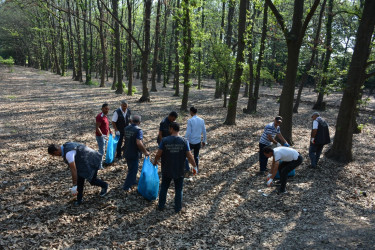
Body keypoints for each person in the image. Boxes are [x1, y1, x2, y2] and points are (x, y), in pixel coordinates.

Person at [153, 122, 197, 213]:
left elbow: (158, 153)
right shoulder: (184, 141)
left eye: (169, 128)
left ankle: (161, 206)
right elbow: (189, 156)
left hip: (166, 168)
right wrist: (195, 166)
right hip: (179, 169)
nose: (169, 130)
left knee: (164, 187)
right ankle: (178, 208)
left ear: (172, 128)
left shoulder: (164, 140)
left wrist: (155, 161)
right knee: (178, 189)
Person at [122, 115, 150, 192]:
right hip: (133, 152)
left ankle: (133, 182)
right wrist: (145, 152)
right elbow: (138, 142)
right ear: (139, 122)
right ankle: (126, 186)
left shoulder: (126, 128)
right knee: (133, 170)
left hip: (127, 151)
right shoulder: (138, 130)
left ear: (131, 121)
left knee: (131, 168)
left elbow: (126, 138)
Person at [185, 106, 207, 171]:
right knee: (196, 156)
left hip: (191, 141)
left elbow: (188, 132)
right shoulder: (201, 120)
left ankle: (187, 168)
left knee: (186, 155)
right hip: (198, 141)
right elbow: (204, 131)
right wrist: (204, 140)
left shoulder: (190, 121)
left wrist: (185, 140)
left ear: (191, 112)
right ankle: (196, 169)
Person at [96, 103, 112, 168]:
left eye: (108, 109)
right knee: (102, 151)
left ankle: (99, 162)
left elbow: (106, 125)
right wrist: (102, 135)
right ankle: (99, 165)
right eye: (105, 109)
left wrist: (110, 130)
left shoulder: (105, 116)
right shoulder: (100, 116)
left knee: (103, 150)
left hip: (105, 136)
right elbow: (97, 127)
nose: (107, 110)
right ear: (102, 108)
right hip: (100, 136)